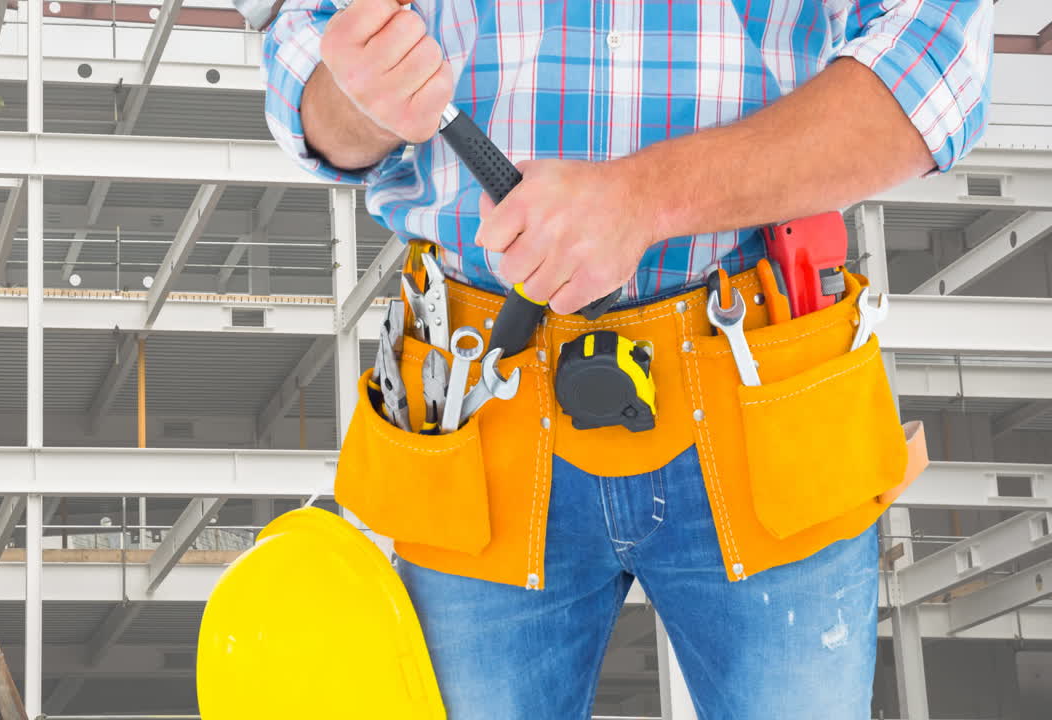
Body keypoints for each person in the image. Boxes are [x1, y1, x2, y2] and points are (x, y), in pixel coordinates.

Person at [261, 1, 992, 717]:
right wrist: (357, 98)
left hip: (762, 373)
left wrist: (647, 198)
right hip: (479, 395)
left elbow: (939, 54)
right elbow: (305, 49)